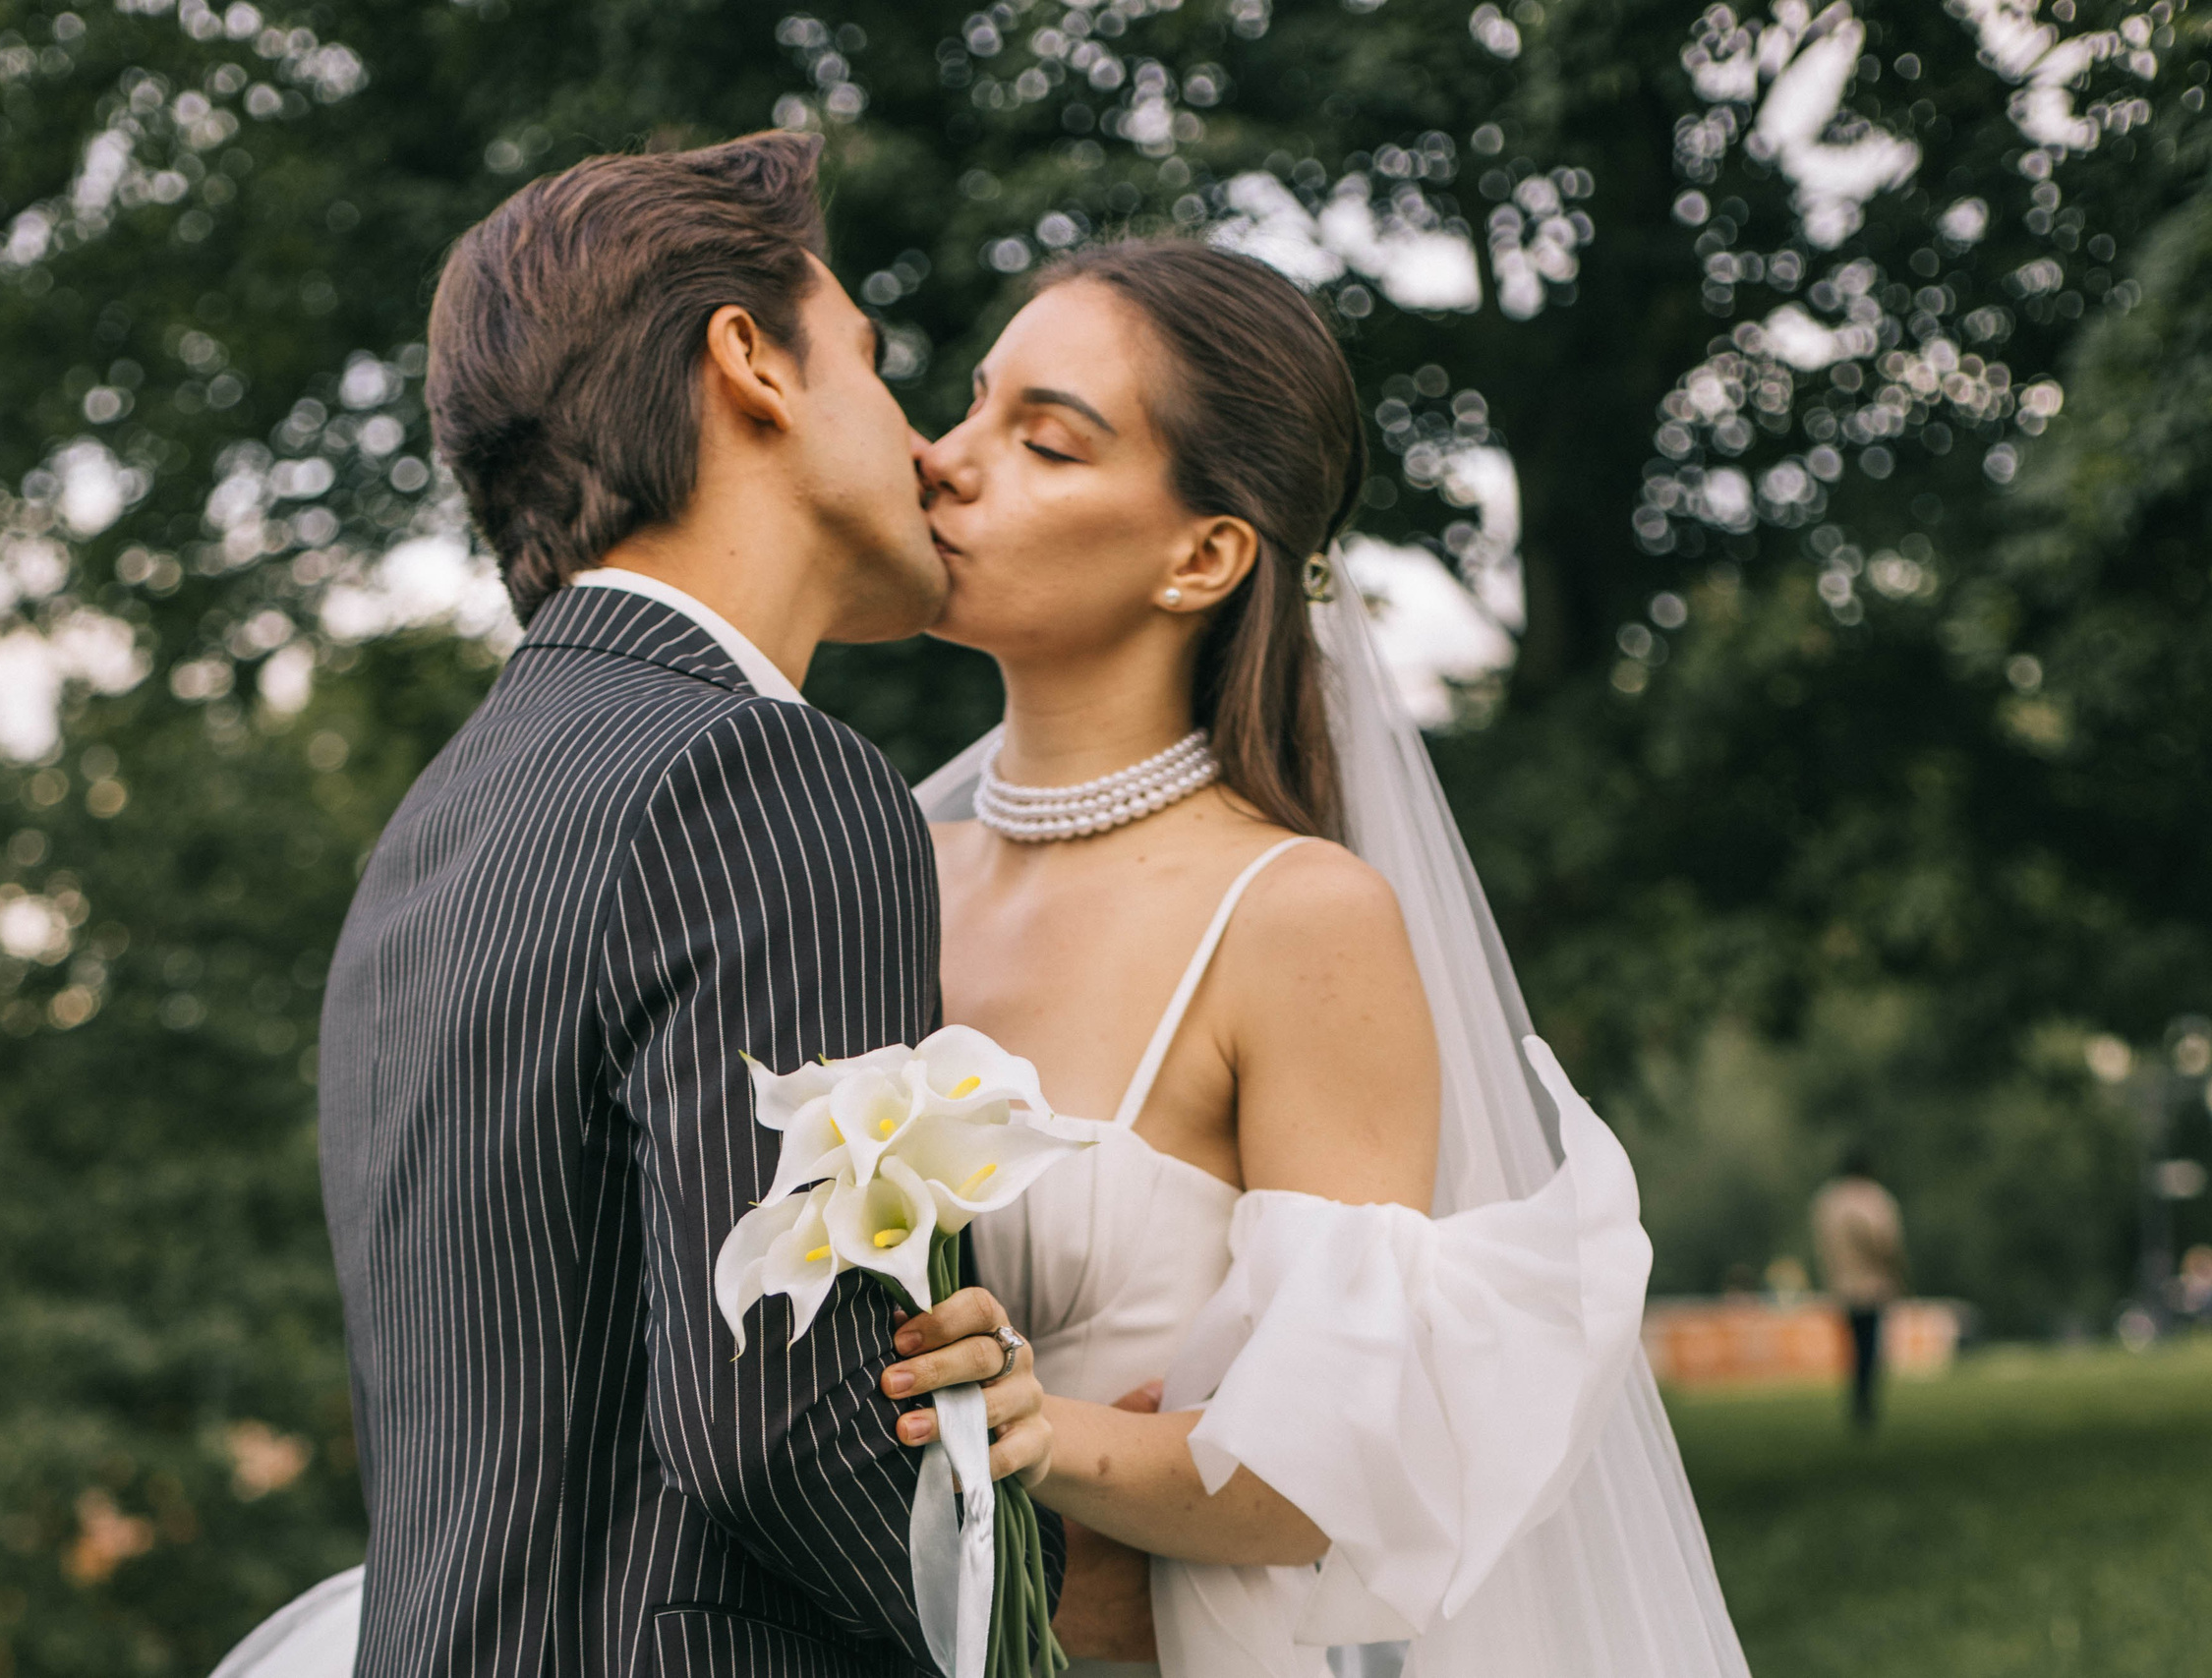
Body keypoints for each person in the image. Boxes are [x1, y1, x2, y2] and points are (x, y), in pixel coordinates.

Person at [216, 132, 1063, 1678]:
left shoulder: (438, 821)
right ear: (751, 362)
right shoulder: (766, 770)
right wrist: (1029, 1602)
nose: (926, 446)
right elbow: (786, 1420)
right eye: (873, 362)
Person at [888, 239, 1752, 1676]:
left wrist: (1043, 1431)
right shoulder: (881, 873)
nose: (944, 459)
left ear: (1203, 557)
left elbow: (1321, 1471)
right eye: (972, 404)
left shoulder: (1295, 916)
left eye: (1044, 441)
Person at [1812, 1146, 1907, 1430]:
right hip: (1873, 1284)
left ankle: (1858, 1398)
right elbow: (1888, 1243)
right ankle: (1865, 1400)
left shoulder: (1828, 1201)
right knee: (1870, 1346)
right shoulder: (1876, 1199)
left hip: (1842, 1285)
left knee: (1853, 1346)